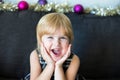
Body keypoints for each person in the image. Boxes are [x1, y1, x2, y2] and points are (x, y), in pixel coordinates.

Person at [25, 12, 80, 80]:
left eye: (63, 38)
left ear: (69, 42)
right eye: (50, 37)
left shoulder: (74, 59)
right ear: (41, 41)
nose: (57, 43)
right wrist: (50, 65)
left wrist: (58, 66)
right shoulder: (35, 55)